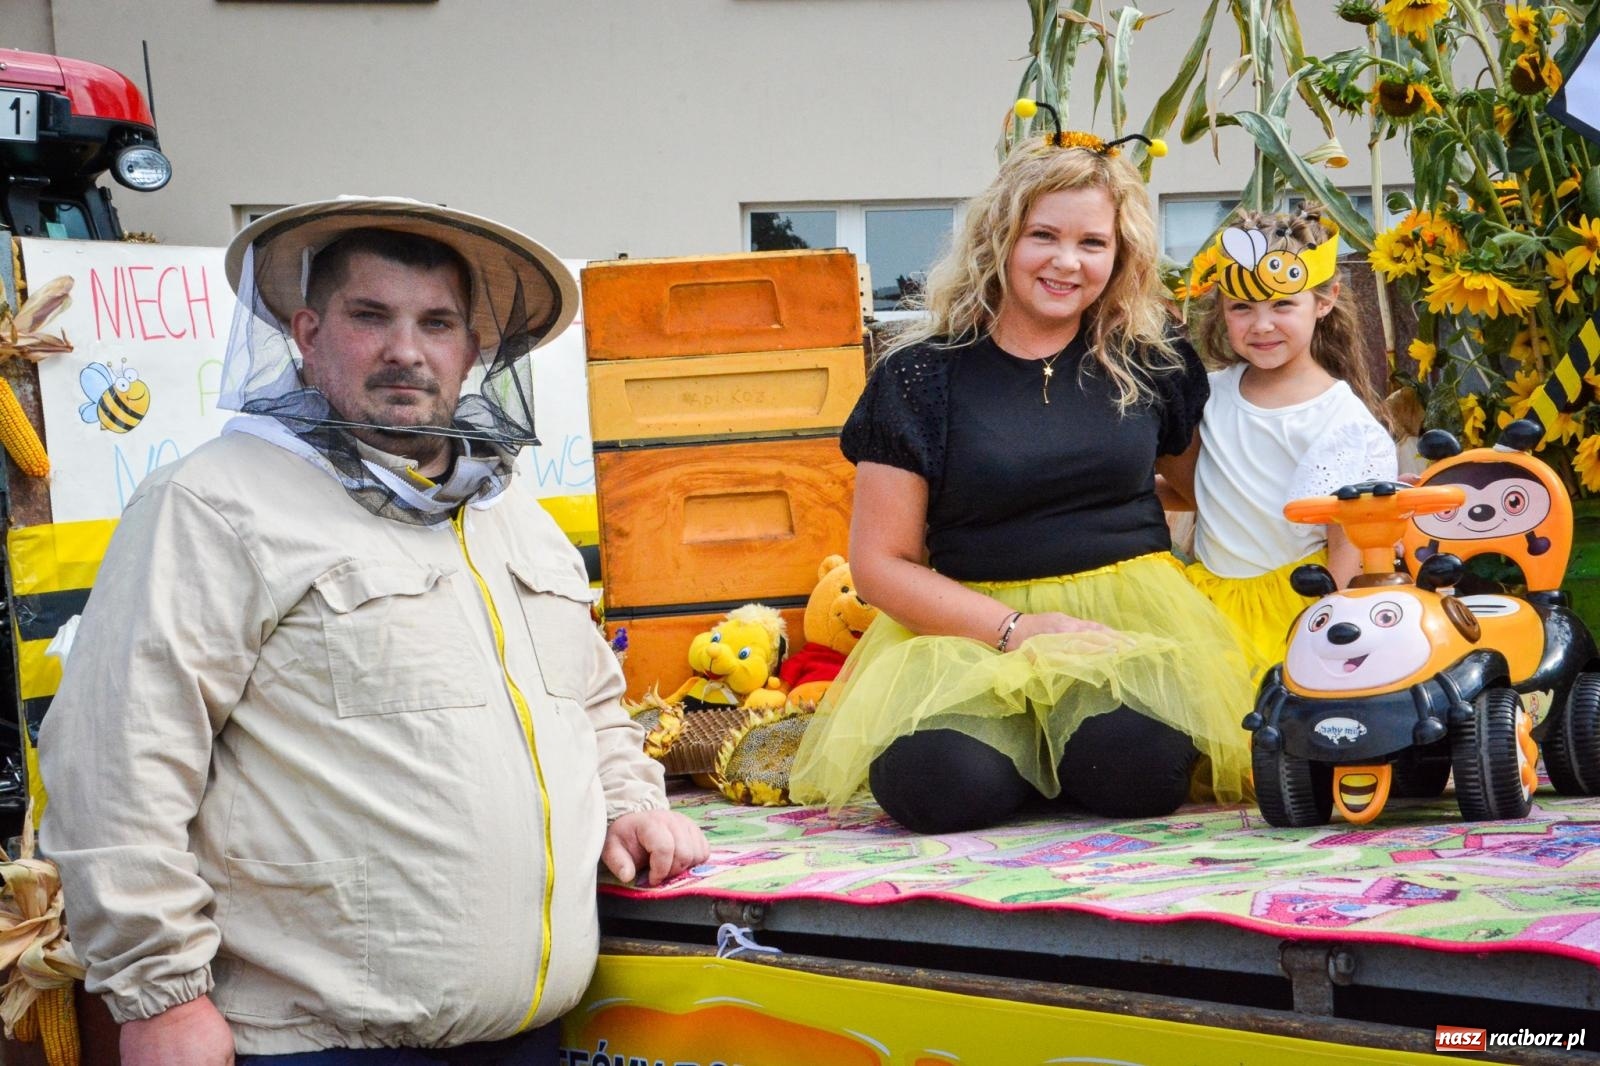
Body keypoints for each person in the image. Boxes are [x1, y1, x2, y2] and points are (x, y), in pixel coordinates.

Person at [38, 197, 708, 1065]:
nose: (406, 350)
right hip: (315, 1045)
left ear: (473, 349)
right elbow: (115, 762)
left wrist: (629, 805)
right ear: (307, 333)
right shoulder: (214, 503)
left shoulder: (514, 518)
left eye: (436, 323)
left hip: (527, 1036)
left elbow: (591, 706)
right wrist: (161, 1000)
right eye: (370, 316)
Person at [786, 127, 1255, 834]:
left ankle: (1055, 762)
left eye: (1092, 242)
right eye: (1044, 236)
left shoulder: (1151, 359)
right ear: (999, 239)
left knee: (1137, 770)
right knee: (936, 788)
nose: (1067, 261)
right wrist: (1020, 630)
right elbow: (880, 563)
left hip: (1122, 627)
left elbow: (1201, 492)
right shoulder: (921, 376)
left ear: (1120, 254)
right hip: (968, 632)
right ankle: (1020, 761)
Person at [1172, 206, 1398, 676]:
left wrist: (1332, 618)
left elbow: (1347, 536)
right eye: (1242, 308)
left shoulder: (1340, 418)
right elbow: (1205, 489)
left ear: (1325, 300)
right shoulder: (1208, 395)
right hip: (1209, 605)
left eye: (1282, 305)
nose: (1261, 325)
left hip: (1299, 605)